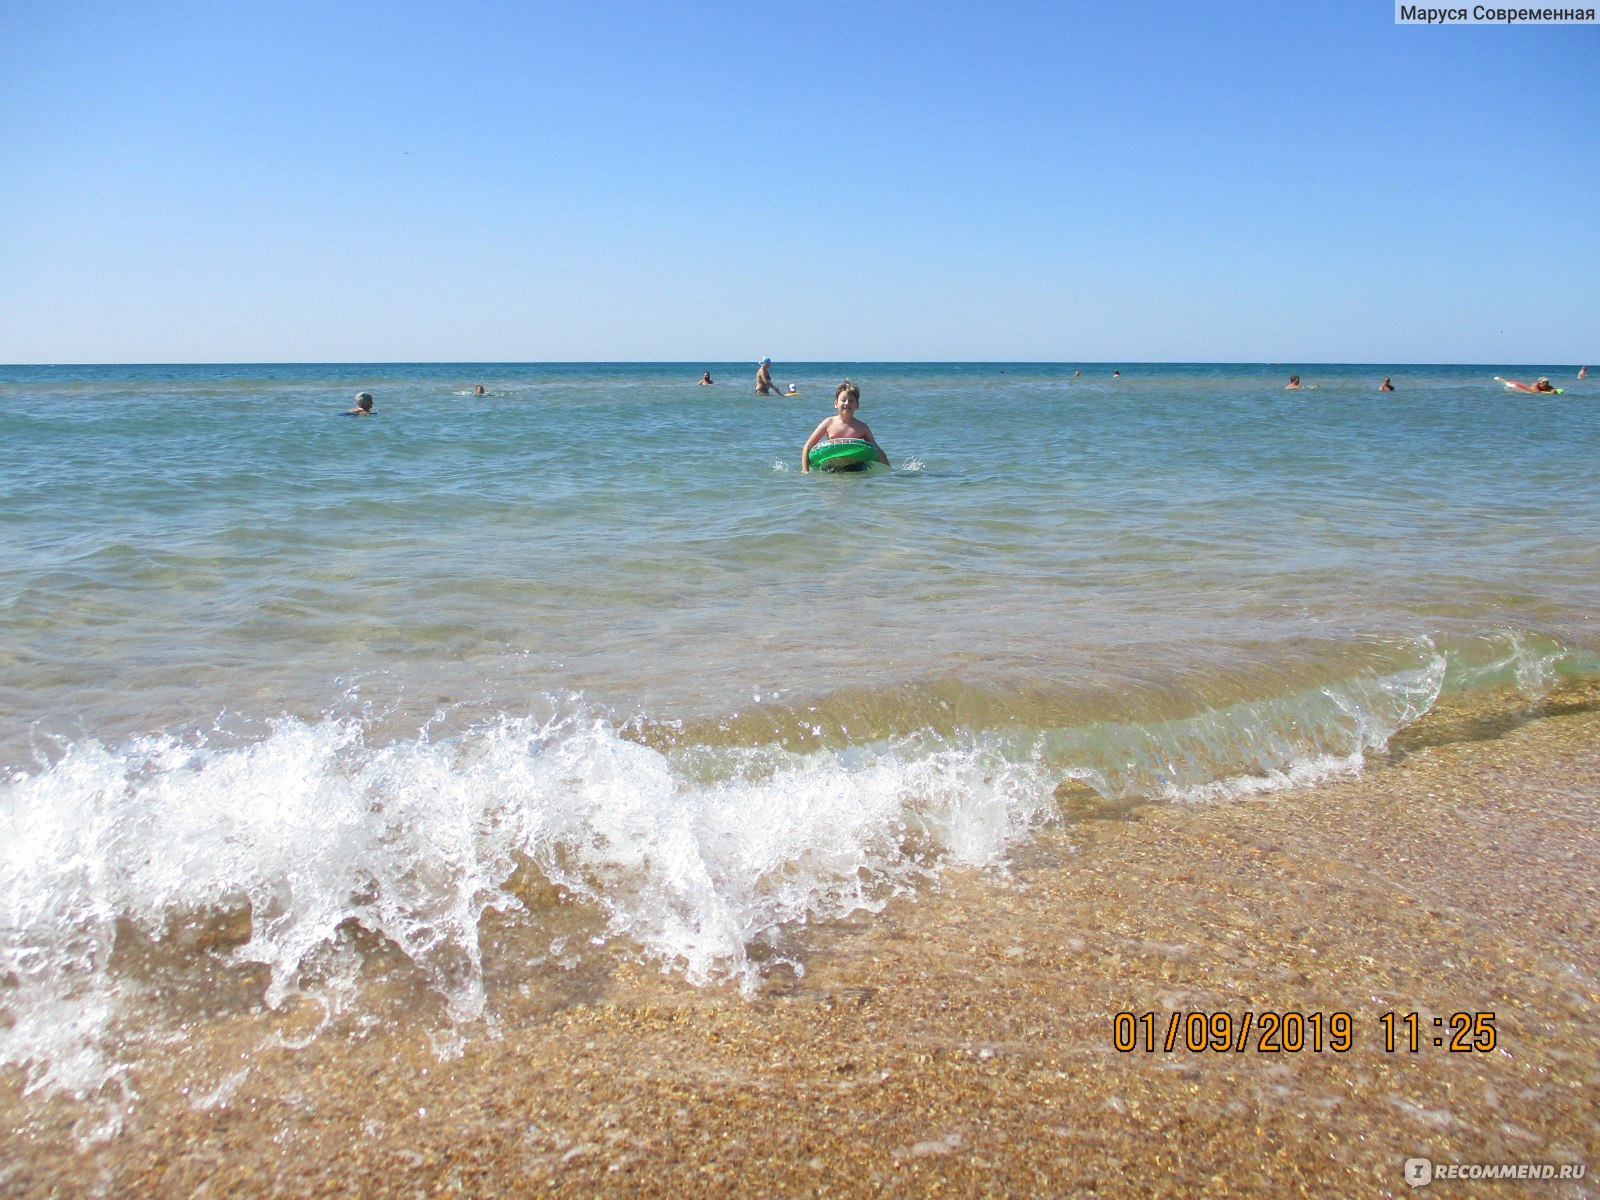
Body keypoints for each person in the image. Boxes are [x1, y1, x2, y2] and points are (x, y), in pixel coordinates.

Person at [801, 379, 889, 472]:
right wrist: (805, 470)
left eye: (851, 401)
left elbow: (875, 449)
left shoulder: (862, 427)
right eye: (843, 400)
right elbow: (808, 446)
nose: (847, 403)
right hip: (833, 466)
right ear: (836, 404)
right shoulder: (828, 423)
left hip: (855, 467)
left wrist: (888, 469)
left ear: (857, 405)